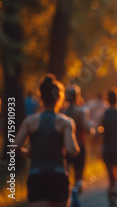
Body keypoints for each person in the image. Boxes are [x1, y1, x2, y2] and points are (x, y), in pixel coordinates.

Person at [16, 74, 80, 207]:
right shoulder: (65, 122)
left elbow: (14, 147)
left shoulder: (30, 121)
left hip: (36, 175)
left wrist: (29, 153)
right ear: (59, 98)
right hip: (58, 175)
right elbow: (71, 149)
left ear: (40, 98)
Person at [62, 84, 94, 194]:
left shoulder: (62, 112)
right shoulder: (81, 111)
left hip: (65, 148)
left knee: (65, 176)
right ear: (78, 96)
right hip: (79, 146)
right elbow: (87, 130)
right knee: (79, 178)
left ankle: (66, 198)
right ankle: (76, 199)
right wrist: (91, 127)